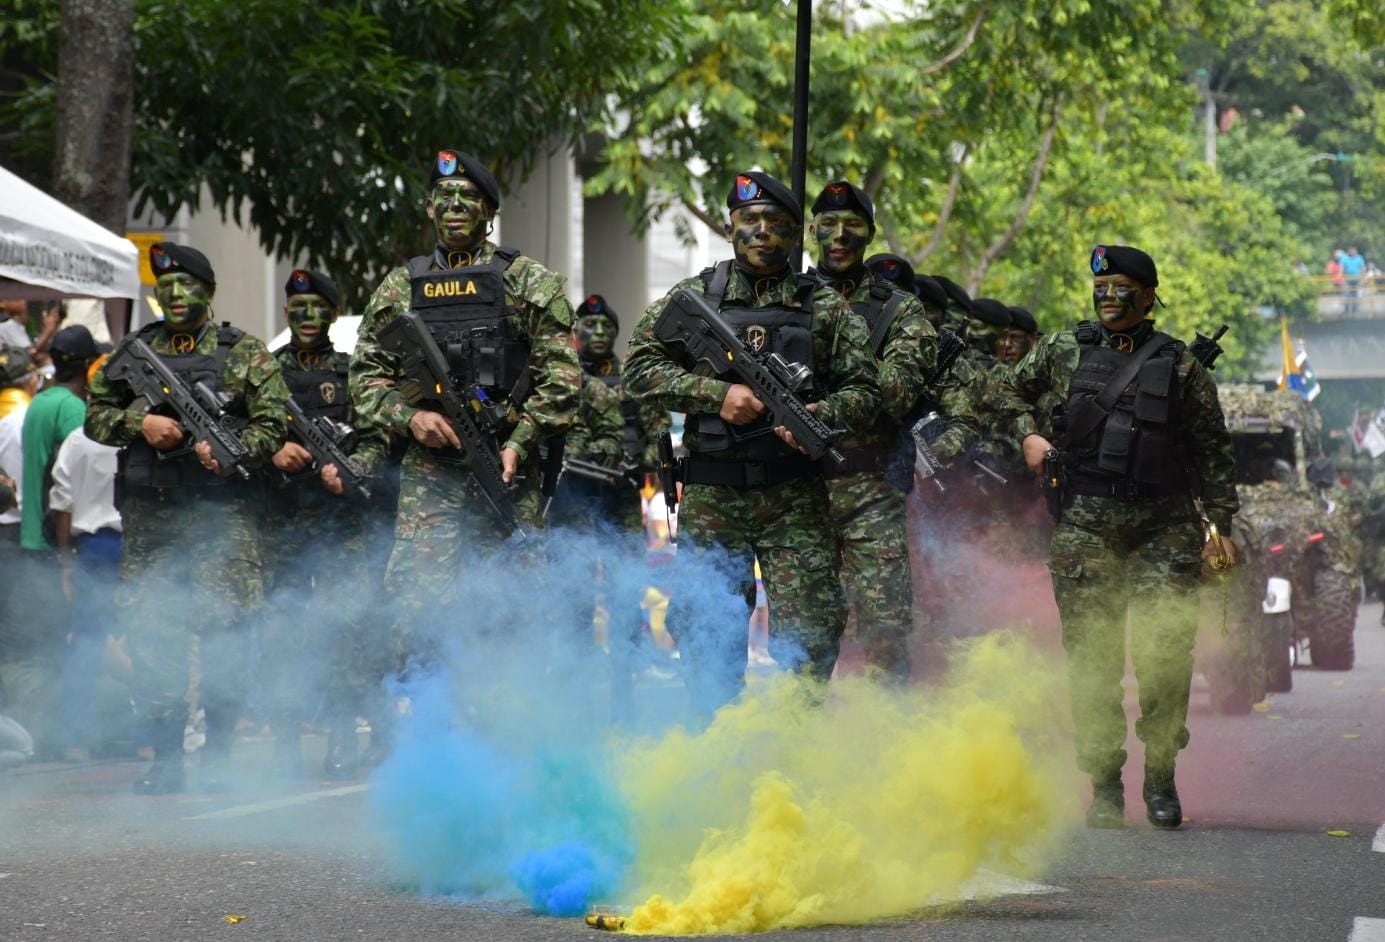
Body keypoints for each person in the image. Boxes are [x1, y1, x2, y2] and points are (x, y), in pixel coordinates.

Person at [999, 244, 1240, 830]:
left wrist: (1221, 528)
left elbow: (1213, 451)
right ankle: (1104, 786)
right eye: (1100, 288)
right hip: (1087, 529)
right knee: (1092, 661)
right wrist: (1026, 437)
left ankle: (1161, 779)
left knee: (1162, 658)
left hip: (1166, 527)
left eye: (1122, 287)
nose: (1108, 297)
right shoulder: (1060, 351)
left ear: (1150, 295)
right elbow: (1000, 394)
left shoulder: (1182, 367)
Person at [623, 170, 880, 712]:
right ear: (729, 225)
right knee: (706, 634)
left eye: (777, 224)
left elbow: (868, 390)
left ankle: (795, 758)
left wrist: (820, 412)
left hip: (795, 499)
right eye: (750, 220)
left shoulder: (825, 307)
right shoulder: (695, 296)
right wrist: (715, 395)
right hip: (714, 495)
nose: (762, 232)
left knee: (811, 637)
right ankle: (715, 755)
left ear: (795, 234)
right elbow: (638, 368)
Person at [348, 148, 580, 673]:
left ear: (489, 213)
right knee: (416, 615)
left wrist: (519, 444)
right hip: (431, 474)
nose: (455, 207)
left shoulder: (528, 281)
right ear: (430, 209)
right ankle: (430, 735)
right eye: (444, 197)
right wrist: (411, 419)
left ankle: (506, 736)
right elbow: (364, 378)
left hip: (505, 471)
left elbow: (563, 381)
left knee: (512, 614)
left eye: (468, 198)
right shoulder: (399, 287)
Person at [86, 241, 290, 794]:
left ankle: (220, 756)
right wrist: (140, 424)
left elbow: (275, 428)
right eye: (166, 287)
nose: (175, 296)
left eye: (187, 286)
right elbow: (95, 418)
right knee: (154, 638)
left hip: (223, 521)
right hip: (153, 523)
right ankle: (168, 761)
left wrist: (234, 448)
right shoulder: (135, 352)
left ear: (209, 291)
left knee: (228, 634)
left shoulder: (244, 353)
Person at [804, 181, 938, 681]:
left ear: (869, 234)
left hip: (870, 489)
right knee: (806, 636)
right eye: (830, 225)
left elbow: (897, 391)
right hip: (799, 490)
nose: (840, 236)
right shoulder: (787, 299)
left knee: (885, 631)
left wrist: (829, 391)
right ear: (813, 230)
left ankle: (887, 748)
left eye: (853, 226)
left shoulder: (899, 309)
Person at [261, 269, 390, 778]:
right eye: (298, 307)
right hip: (285, 521)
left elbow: (379, 435)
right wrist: (273, 448)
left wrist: (356, 468)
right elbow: (238, 429)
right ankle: (287, 750)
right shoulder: (263, 372)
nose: (307, 316)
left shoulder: (353, 372)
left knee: (345, 634)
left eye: (318, 307)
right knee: (284, 634)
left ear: (334, 315)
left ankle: (341, 739)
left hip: (343, 526)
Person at [49, 423, 125, 756]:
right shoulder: (146, 434)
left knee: (87, 640)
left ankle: (77, 737)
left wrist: (66, 560)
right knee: (141, 635)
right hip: (135, 541)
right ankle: (142, 735)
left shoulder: (79, 439)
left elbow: (62, 503)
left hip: (94, 547)